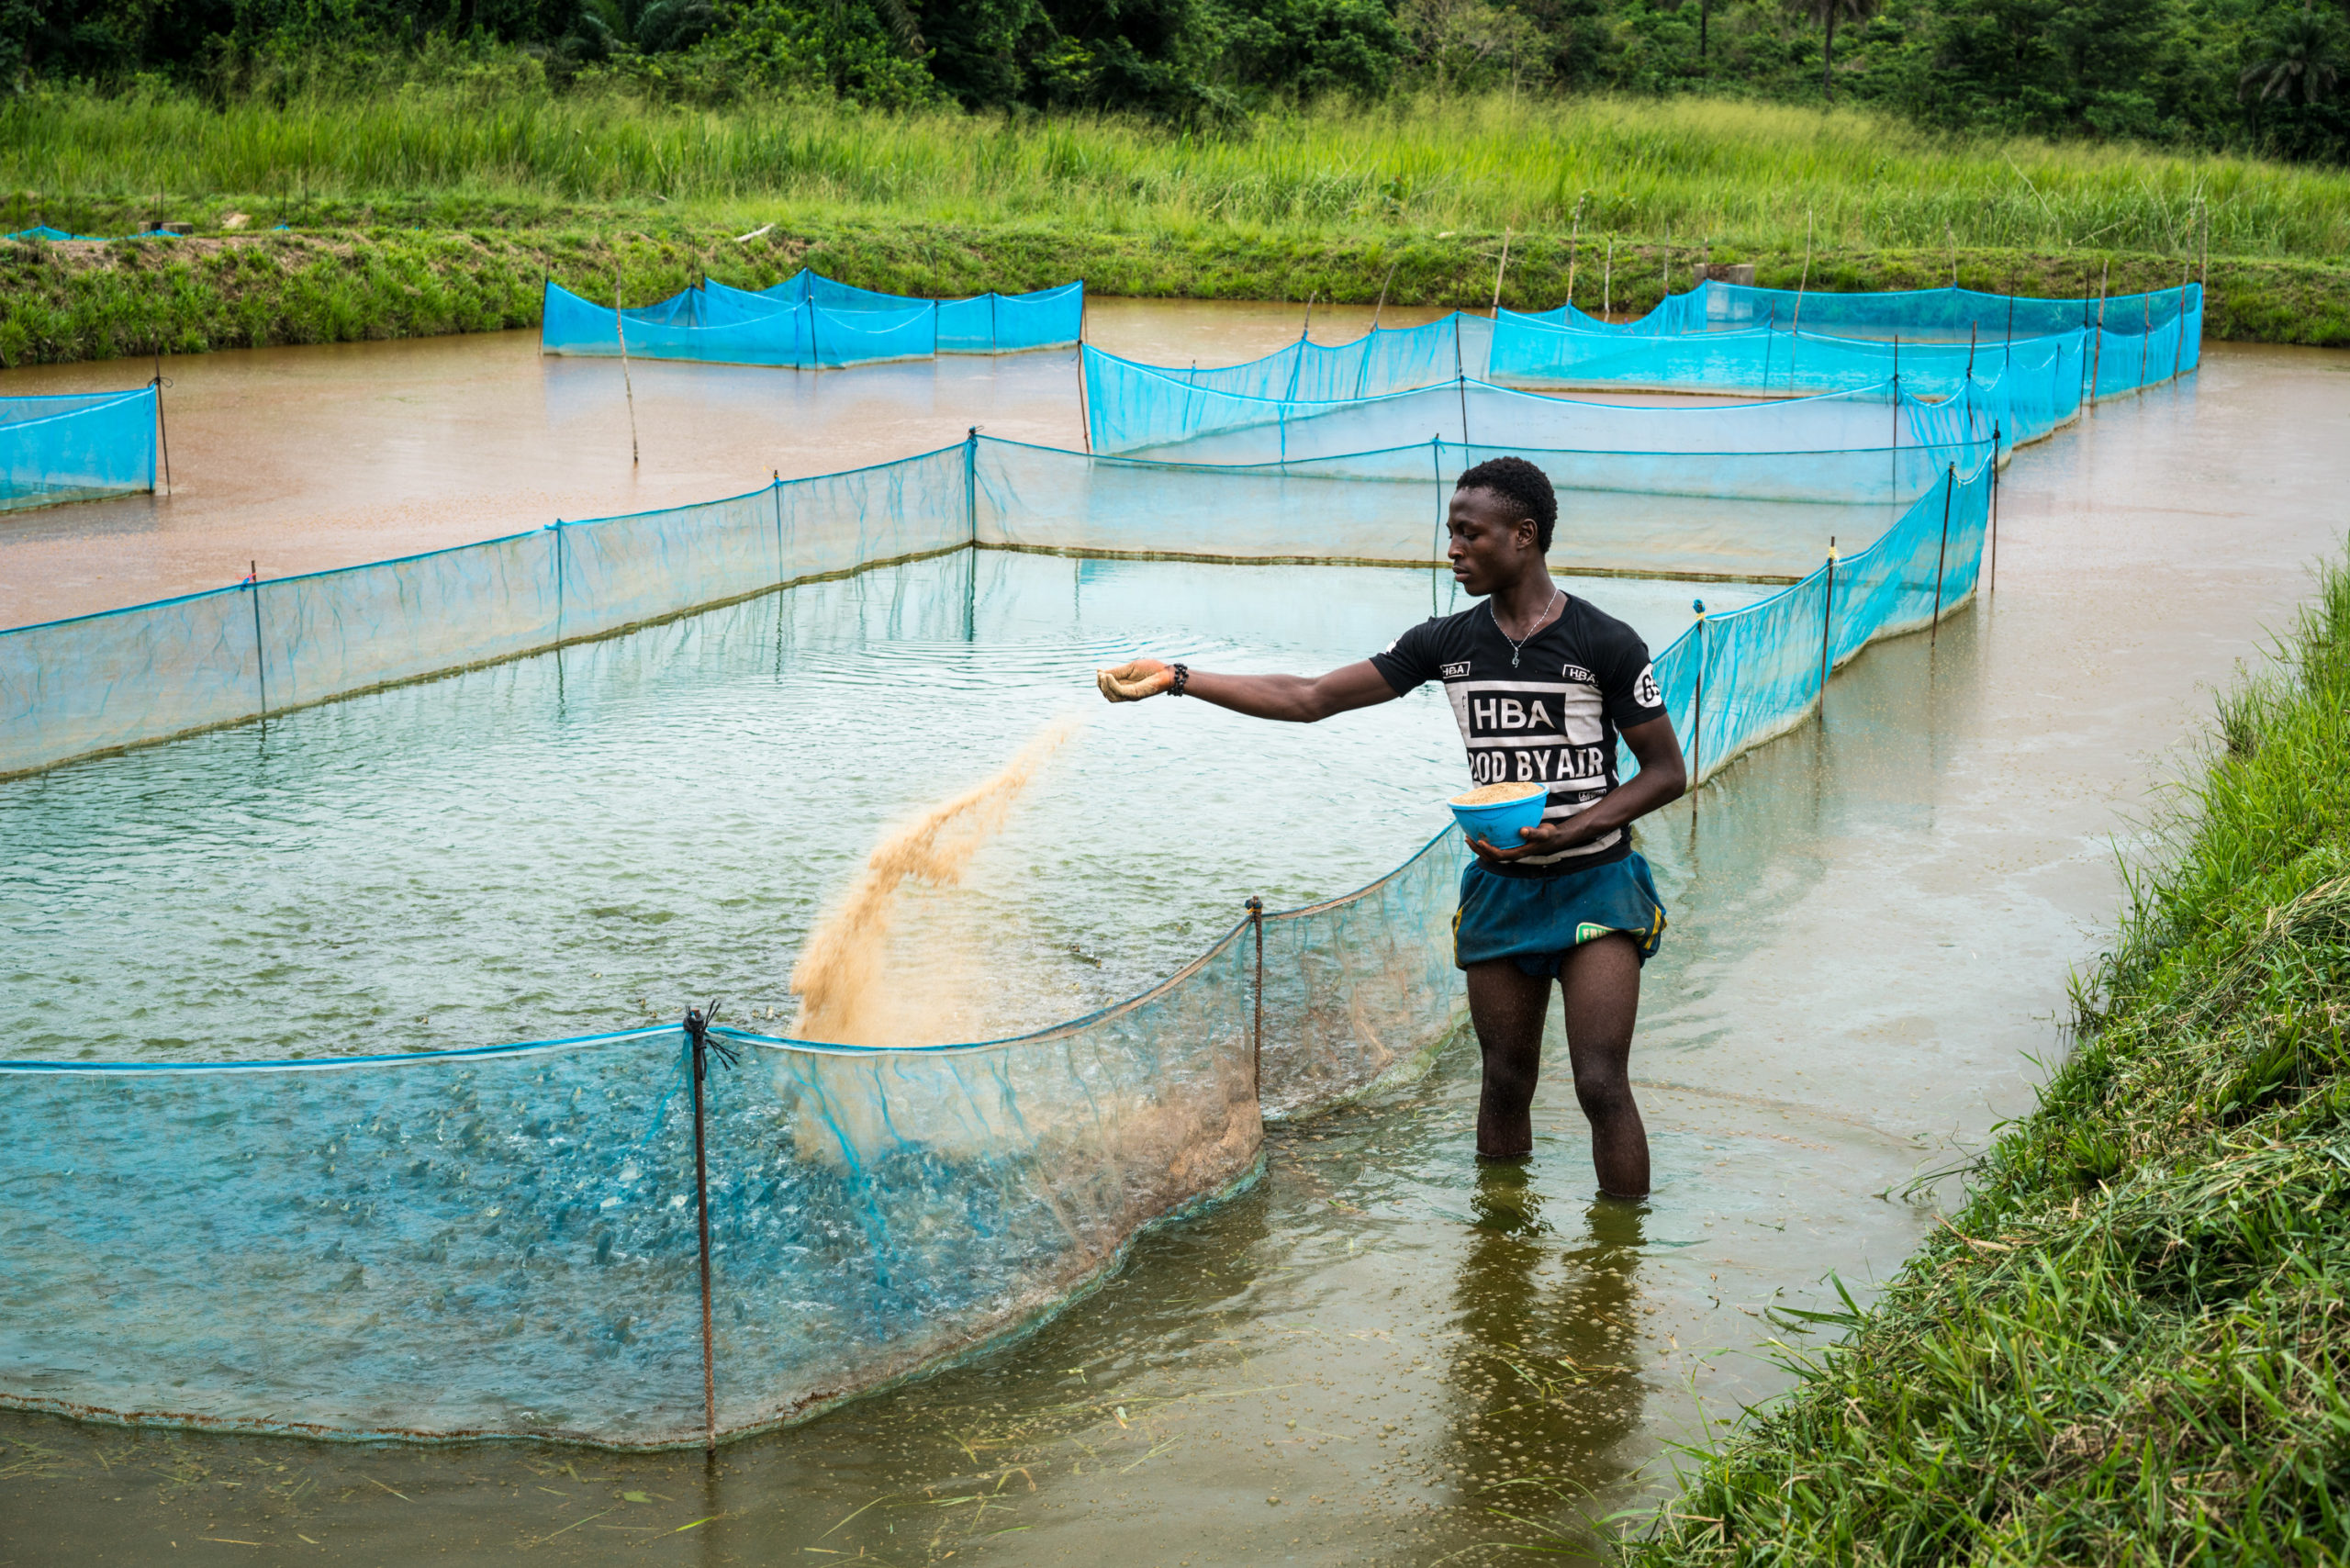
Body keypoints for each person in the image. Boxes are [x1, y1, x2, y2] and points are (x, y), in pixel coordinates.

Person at [1094, 456, 1684, 1198]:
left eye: (1471, 535)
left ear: (1525, 536)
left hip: (1596, 886)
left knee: (1600, 1083)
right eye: (1451, 533)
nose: (1453, 550)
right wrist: (1180, 677)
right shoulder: (1447, 643)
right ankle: (1499, 1253)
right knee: (1504, 1080)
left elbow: (1665, 772)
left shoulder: (1605, 642)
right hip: (1501, 889)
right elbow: (1309, 697)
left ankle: (1617, 1273)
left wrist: (1576, 829)